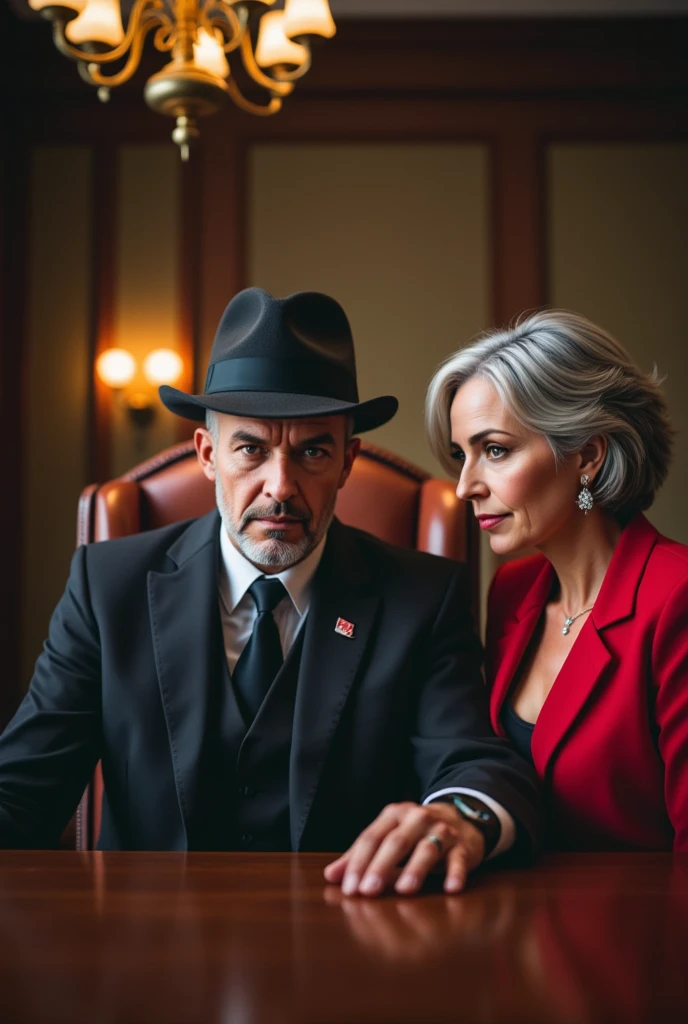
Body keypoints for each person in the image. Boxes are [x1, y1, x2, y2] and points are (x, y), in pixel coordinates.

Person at [0, 287, 539, 895]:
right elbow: (23, 788)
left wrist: (458, 816)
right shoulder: (107, 588)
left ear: (347, 461)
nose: (279, 488)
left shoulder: (423, 597)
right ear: (207, 454)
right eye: (251, 449)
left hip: (351, 945)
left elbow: (472, 762)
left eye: (312, 452)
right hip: (142, 952)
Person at [426, 309, 688, 851]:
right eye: (461, 455)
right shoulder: (512, 593)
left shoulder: (676, 597)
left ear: (587, 455)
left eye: (494, 450)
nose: (464, 486)